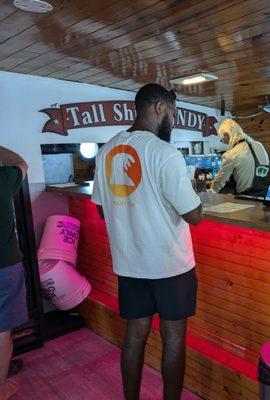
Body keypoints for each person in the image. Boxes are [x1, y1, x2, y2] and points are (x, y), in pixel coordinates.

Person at [92, 84, 202, 400]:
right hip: (171, 266)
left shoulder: (107, 150)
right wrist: (196, 195)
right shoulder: (165, 154)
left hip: (130, 265)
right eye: (173, 113)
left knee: (135, 336)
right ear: (157, 108)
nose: (174, 121)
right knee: (174, 340)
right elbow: (193, 216)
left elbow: (102, 209)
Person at [0, 146, 29, 400]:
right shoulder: (4, 178)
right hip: (4, 266)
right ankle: (1, 388)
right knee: (2, 330)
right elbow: (22, 164)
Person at [209, 118, 269, 194]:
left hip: (245, 197)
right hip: (264, 193)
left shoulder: (231, 154)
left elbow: (220, 181)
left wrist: (212, 191)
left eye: (223, 140)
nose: (226, 143)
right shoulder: (259, 145)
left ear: (226, 135)